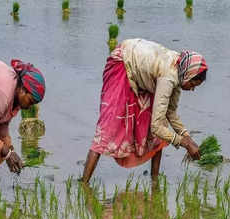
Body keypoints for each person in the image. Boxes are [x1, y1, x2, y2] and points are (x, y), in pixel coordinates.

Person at [82, 38, 208, 185]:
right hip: (123, 64)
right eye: (193, 83)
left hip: (145, 73)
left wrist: (187, 137)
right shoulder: (168, 78)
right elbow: (156, 127)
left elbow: (170, 112)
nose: (192, 89)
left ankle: (154, 181)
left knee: (162, 127)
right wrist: (184, 143)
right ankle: (84, 183)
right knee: (107, 128)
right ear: (188, 74)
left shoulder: (179, 71)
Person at [0, 55, 46, 189]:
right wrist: (7, 153)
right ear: (23, 89)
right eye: (30, 101)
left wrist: (9, 151)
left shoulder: (16, 98)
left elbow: (1, 125)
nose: (29, 107)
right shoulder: (4, 95)